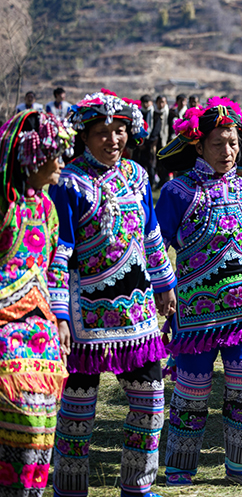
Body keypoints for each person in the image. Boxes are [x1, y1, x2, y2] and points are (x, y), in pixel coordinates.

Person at [49, 91, 177, 497]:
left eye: (119, 131)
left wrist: (165, 285)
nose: (112, 140)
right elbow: (60, 252)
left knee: (151, 401)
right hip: (87, 317)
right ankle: (70, 487)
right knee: (77, 413)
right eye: (102, 132)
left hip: (138, 315)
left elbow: (152, 237)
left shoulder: (139, 177)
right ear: (84, 137)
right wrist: (60, 315)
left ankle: (137, 485)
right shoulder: (69, 184)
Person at [155, 98, 242, 487]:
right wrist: (162, 291)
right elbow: (157, 245)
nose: (227, 151)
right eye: (217, 143)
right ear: (199, 145)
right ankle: (180, 465)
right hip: (196, 315)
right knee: (192, 389)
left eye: (232, 142)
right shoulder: (177, 192)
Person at [0, 109, 74, 497]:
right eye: (53, 154)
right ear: (30, 158)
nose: (60, 163)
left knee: (43, 422)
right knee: (18, 419)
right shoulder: (5, 205)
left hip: (41, 332)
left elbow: (54, 268)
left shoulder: (47, 208)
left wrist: (61, 320)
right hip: (5, 330)